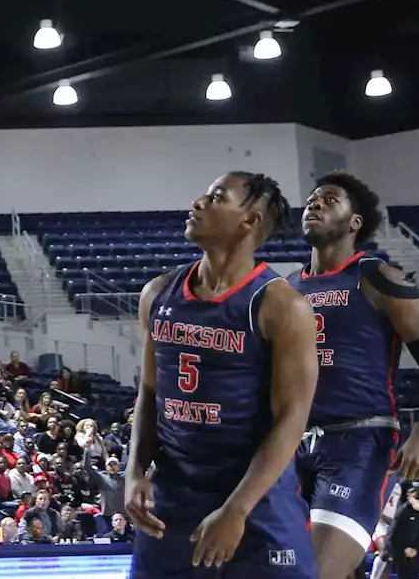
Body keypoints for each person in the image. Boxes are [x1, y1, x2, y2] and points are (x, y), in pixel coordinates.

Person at [125, 172, 318, 578]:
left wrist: (238, 509)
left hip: (256, 499)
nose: (198, 202)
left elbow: (292, 418)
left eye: (215, 197)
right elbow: (148, 392)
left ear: (249, 220)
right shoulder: (158, 293)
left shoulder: (283, 306)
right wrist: (135, 472)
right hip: (173, 498)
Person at [292, 171, 419, 578]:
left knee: (314, 573)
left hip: (359, 441)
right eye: (312, 199)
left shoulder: (379, 277)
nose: (314, 204)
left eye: (329, 200)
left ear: (355, 222)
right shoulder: (288, 287)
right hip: (293, 444)